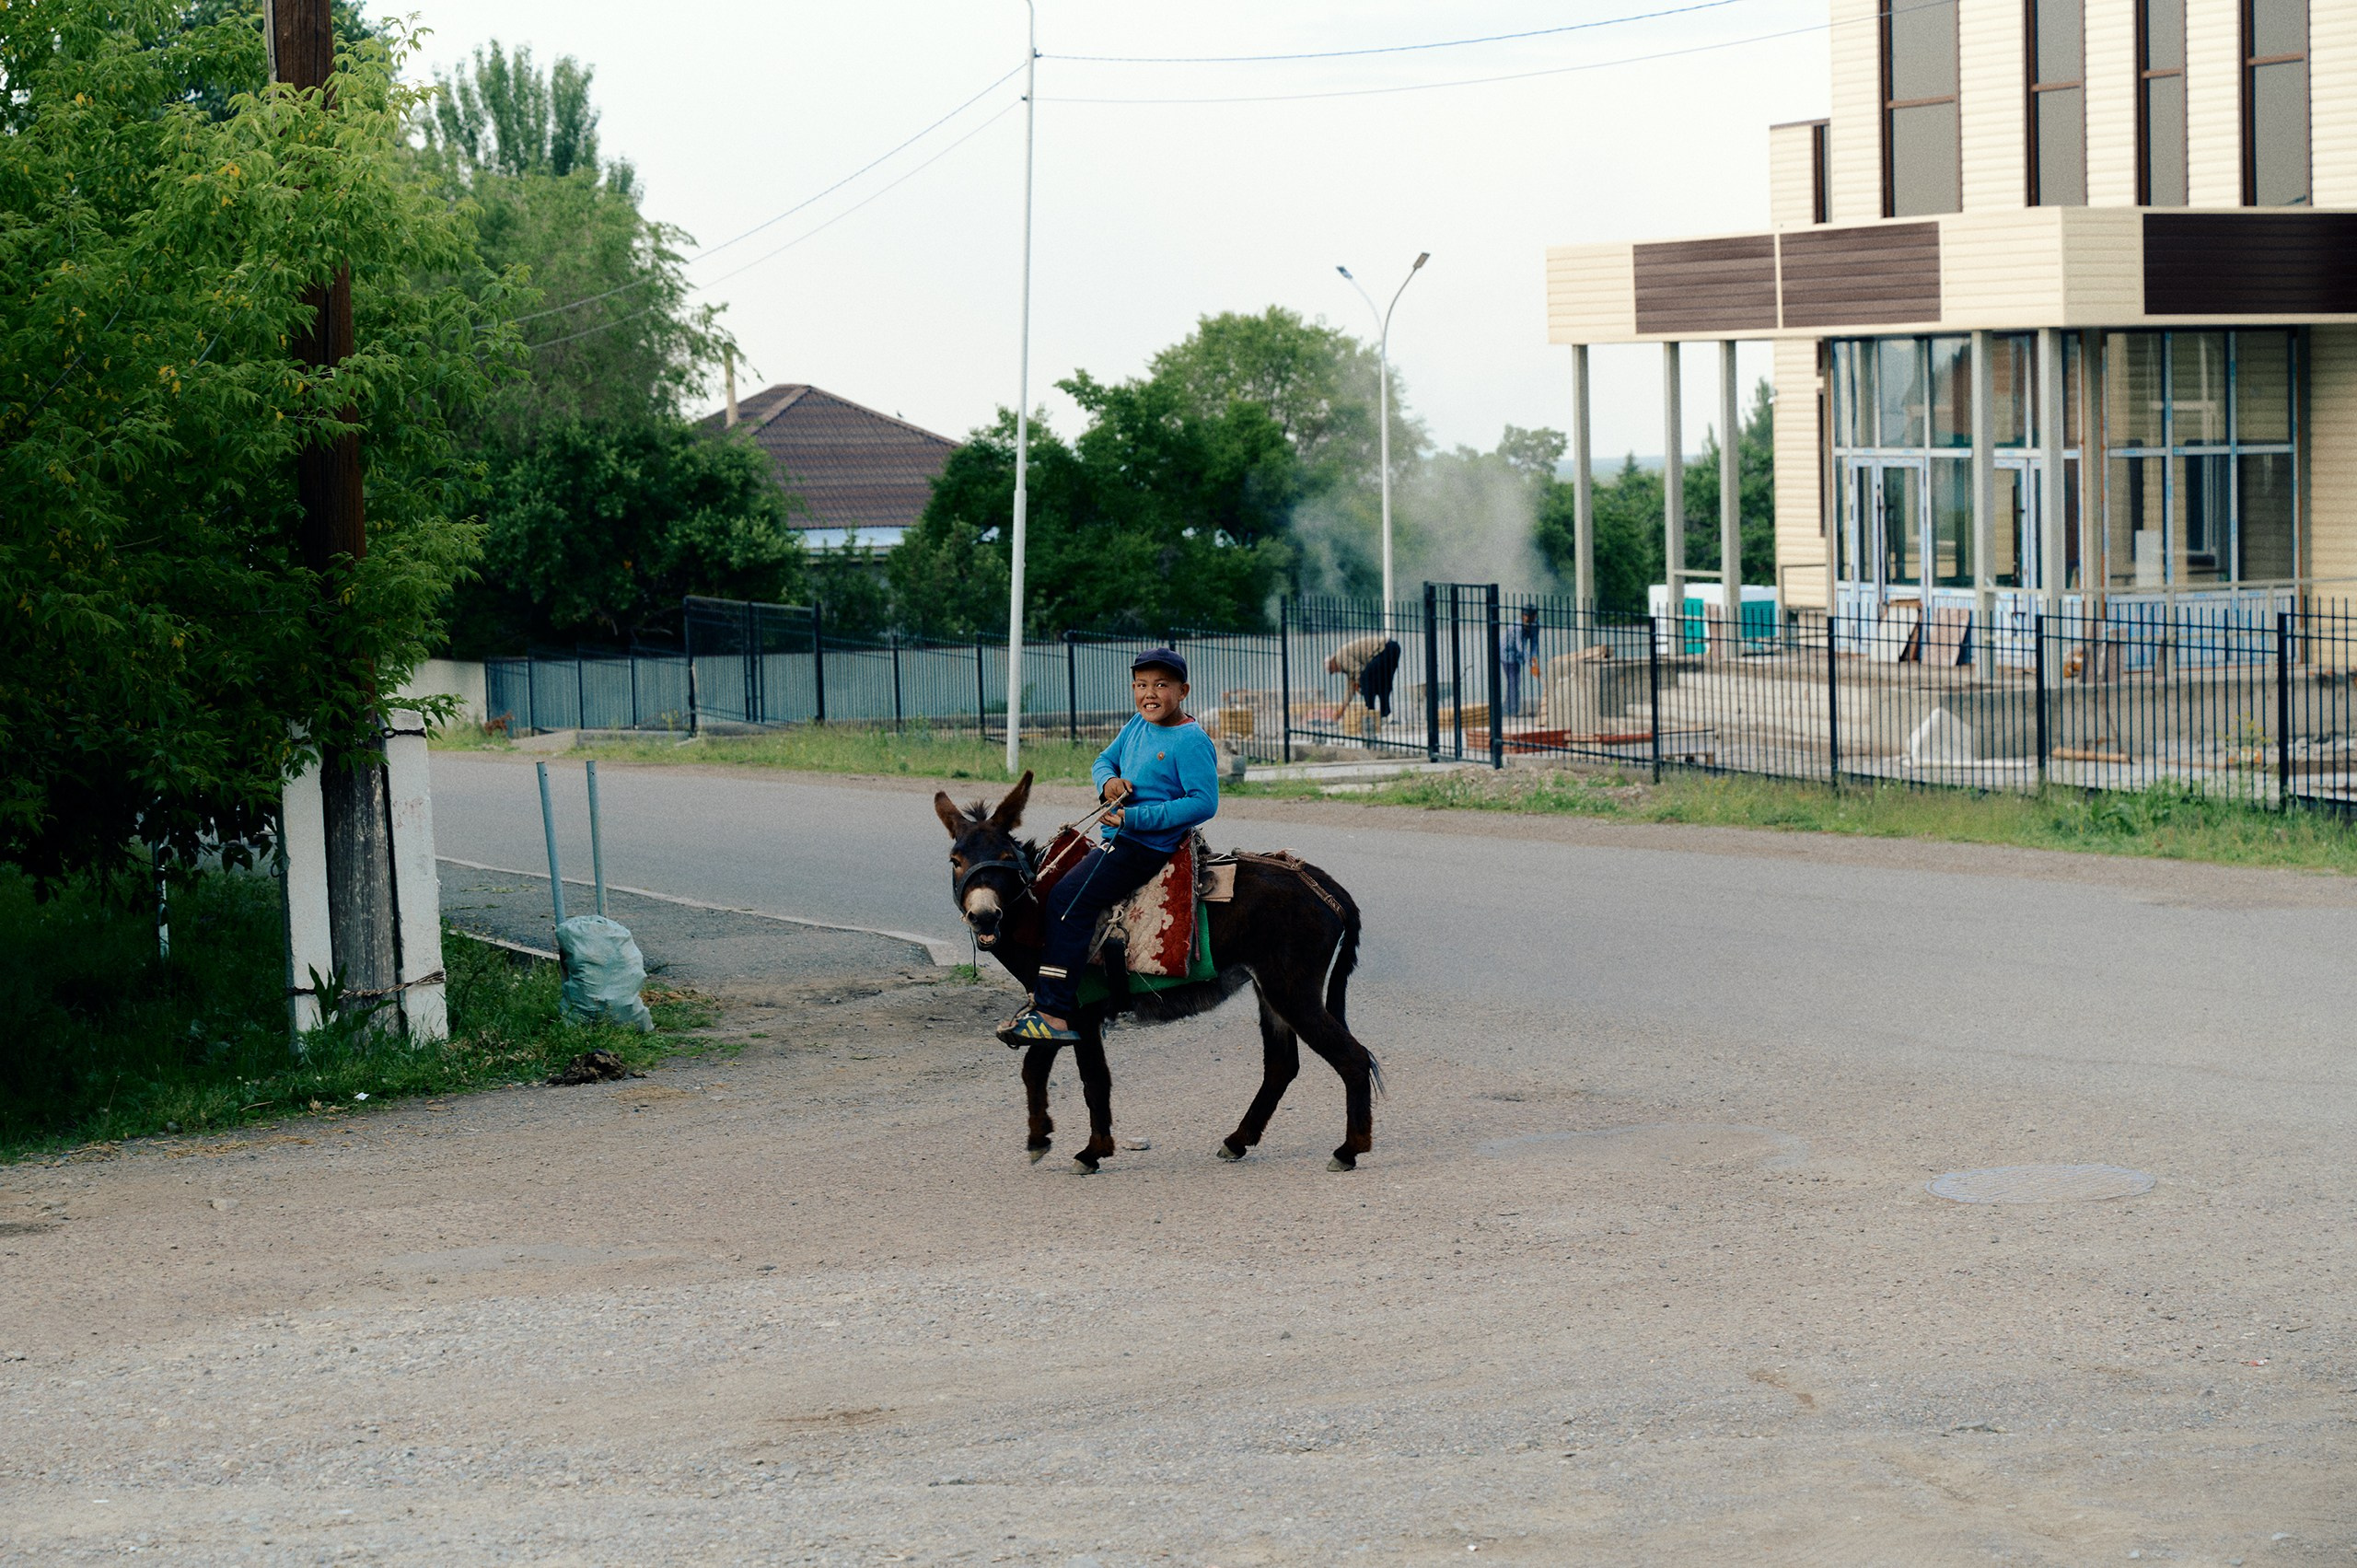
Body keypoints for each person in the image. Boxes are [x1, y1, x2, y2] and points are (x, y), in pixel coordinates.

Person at [998, 648, 1219, 1046]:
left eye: (1161, 685)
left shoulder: (1190, 740)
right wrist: (1108, 784)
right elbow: (1104, 760)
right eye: (1141, 685)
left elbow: (1204, 802)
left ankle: (1054, 1012)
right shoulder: (1137, 725)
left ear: (1183, 691)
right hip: (1120, 837)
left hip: (1145, 845)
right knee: (1048, 879)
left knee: (1067, 899)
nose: (1149, 694)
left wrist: (1135, 818)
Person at [1327, 633, 1403, 737]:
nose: (1335, 672)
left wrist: (1359, 684)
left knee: (1366, 680)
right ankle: (1385, 716)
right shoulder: (1346, 665)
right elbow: (1351, 686)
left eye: (1332, 670)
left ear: (1333, 663)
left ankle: (1370, 713)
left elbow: (1360, 671)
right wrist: (1343, 707)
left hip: (1385, 649)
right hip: (1393, 648)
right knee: (1383, 685)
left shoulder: (1341, 658)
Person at [1499, 606, 1541, 719]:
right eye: (1526, 615)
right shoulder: (1517, 627)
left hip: (1518, 655)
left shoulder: (1536, 625)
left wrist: (1534, 662)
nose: (1528, 618)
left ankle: (1507, 708)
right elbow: (1520, 646)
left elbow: (1534, 644)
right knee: (1513, 680)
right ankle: (1512, 710)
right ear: (1523, 616)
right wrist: (1530, 664)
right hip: (1507, 652)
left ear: (1535, 616)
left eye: (1531, 616)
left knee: (1514, 681)